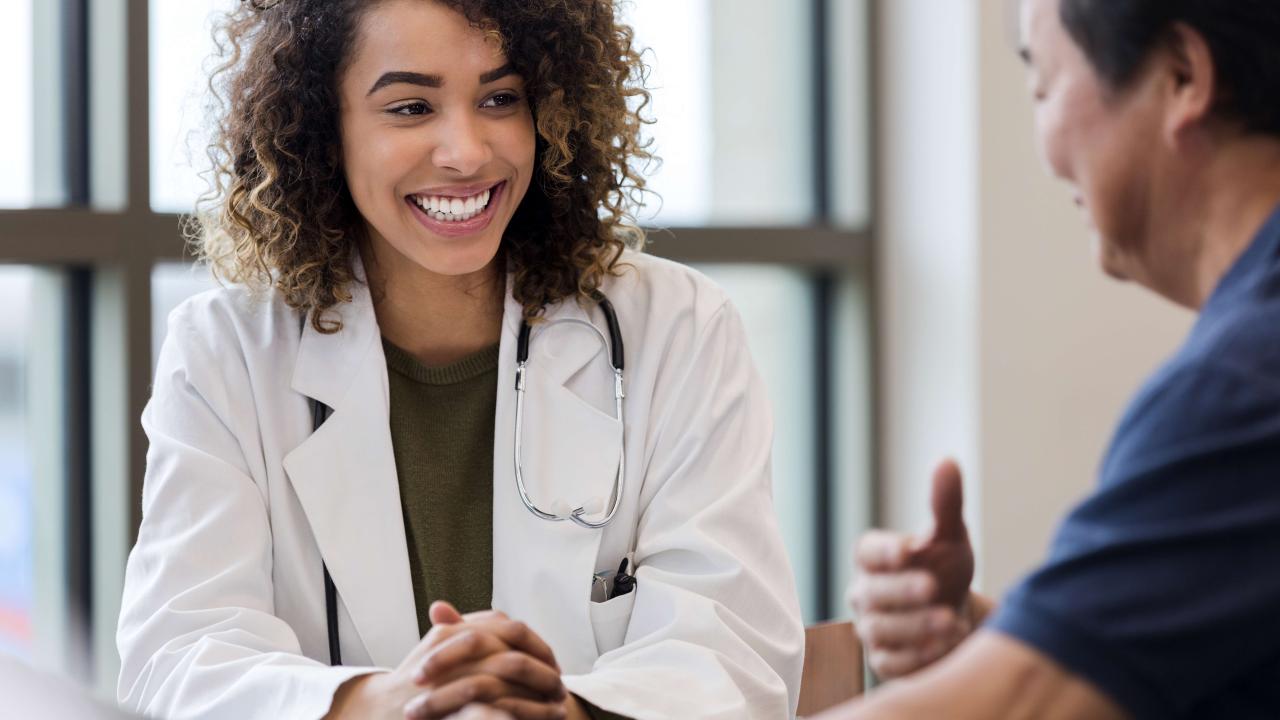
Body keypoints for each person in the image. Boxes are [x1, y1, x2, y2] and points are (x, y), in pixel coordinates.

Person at [115, 1, 804, 718]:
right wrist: (390, 702)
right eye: (411, 107)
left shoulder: (680, 330)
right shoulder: (225, 353)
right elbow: (177, 658)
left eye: (500, 99)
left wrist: (551, 711)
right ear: (324, 130)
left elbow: (733, 653)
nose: (467, 151)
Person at [839, 0, 1280, 717]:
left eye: (1043, 86)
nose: (1044, 149)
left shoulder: (1241, 385)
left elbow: (1018, 707)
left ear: (1182, 76)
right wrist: (1004, 639)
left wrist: (1008, 672)